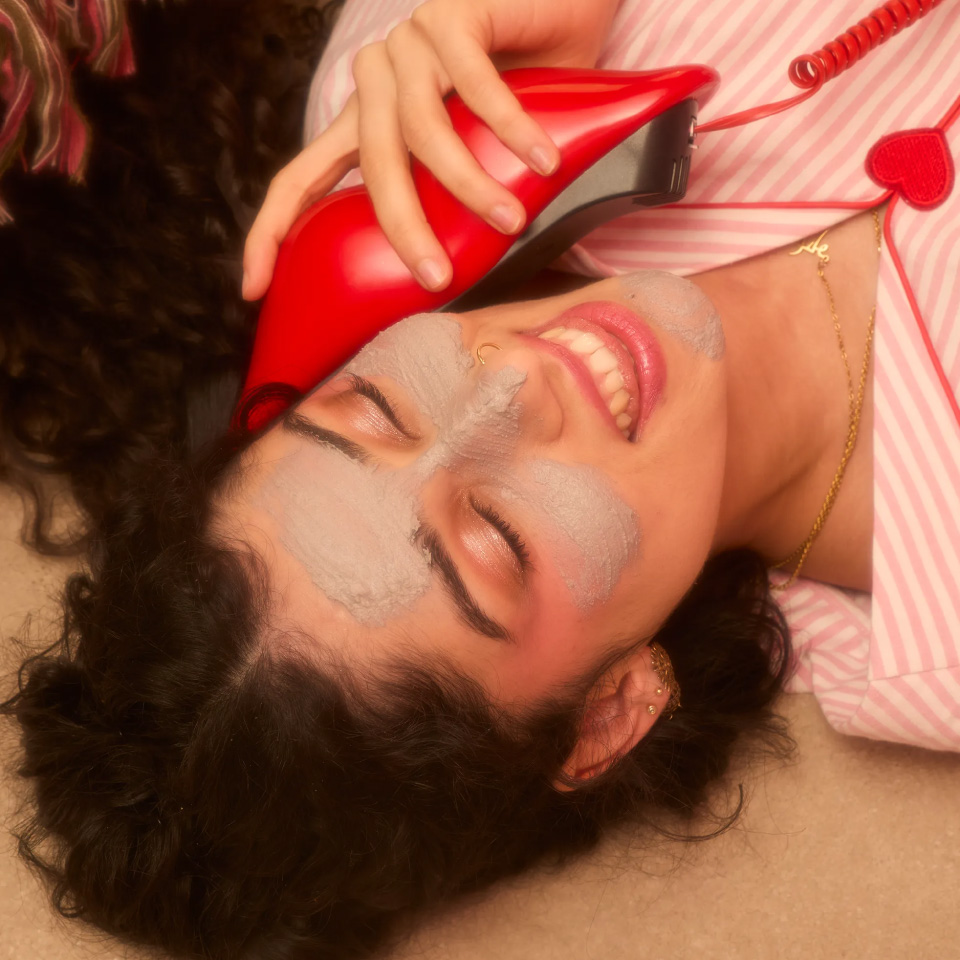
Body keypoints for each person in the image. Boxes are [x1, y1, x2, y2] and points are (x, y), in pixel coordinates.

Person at [0, 3, 955, 960]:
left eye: (377, 408)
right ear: (609, 714)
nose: (512, 383)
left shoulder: (426, 117)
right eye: (494, 534)